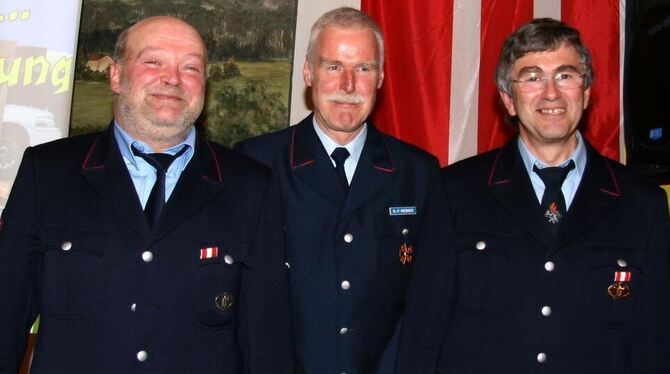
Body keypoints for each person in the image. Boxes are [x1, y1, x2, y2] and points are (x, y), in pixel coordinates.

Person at [0, 16, 293, 373]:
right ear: (116, 76)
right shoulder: (47, 173)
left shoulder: (251, 186)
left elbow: (267, 343)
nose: (172, 78)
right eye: (153, 62)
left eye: (190, 67)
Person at [405, 18, 670, 373]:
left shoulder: (642, 203)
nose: (550, 93)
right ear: (508, 100)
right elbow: (423, 332)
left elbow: (654, 344)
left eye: (565, 75)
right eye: (532, 77)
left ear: (587, 92)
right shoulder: (455, 192)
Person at [235, 7, 449, 374]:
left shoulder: (418, 172)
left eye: (363, 69)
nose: (348, 86)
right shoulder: (257, 164)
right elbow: (245, 303)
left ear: (380, 77)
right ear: (309, 72)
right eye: (333, 66)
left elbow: (429, 300)